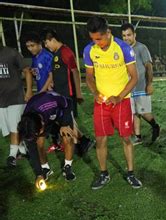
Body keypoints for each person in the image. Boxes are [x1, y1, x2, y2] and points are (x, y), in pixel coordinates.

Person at [83, 16, 141, 189]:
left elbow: (134, 77)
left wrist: (119, 96)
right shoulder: (89, 50)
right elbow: (89, 77)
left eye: (98, 39)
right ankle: (103, 174)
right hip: (101, 103)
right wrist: (95, 92)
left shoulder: (123, 48)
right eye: (92, 39)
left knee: (126, 138)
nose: (96, 42)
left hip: (121, 102)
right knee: (100, 140)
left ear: (108, 33)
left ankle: (131, 173)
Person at [42, 28, 94, 156]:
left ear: (52, 40)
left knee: (67, 121)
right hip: (59, 95)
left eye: (46, 43)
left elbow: (75, 72)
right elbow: (58, 73)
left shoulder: (66, 51)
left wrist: (79, 93)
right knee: (66, 121)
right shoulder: (56, 54)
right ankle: (83, 142)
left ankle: (80, 143)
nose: (46, 46)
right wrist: (52, 85)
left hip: (67, 95)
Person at [18, 92, 77, 188]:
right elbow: (32, 150)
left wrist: (65, 124)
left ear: (41, 123)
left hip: (60, 112)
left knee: (67, 137)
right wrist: (38, 174)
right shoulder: (27, 124)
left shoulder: (49, 102)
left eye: (39, 131)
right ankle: (45, 168)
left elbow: (68, 103)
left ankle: (68, 166)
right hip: (42, 119)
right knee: (38, 143)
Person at [121, 23, 161, 146]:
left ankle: (155, 126)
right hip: (130, 88)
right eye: (124, 36)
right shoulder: (123, 49)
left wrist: (149, 84)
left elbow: (149, 67)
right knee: (134, 113)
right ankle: (138, 137)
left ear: (134, 35)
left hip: (141, 86)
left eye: (129, 35)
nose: (126, 38)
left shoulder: (141, 48)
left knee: (143, 112)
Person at [0, 45, 33, 167]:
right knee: (8, 129)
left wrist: (29, 90)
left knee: (15, 127)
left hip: (16, 98)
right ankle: (23, 149)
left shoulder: (12, 53)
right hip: (1, 101)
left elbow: (26, 70)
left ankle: (11, 156)